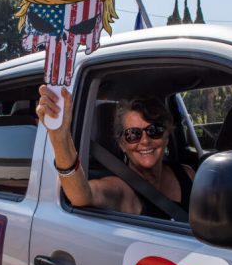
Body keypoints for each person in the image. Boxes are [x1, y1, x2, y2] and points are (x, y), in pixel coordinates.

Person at [36, 85, 193, 217]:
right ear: (122, 144)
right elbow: (82, 195)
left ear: (167, 135)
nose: (145, 141)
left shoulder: (186, 174)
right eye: (133, 134)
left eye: (154, 130)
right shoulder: (120, 189)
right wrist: (60, 139)